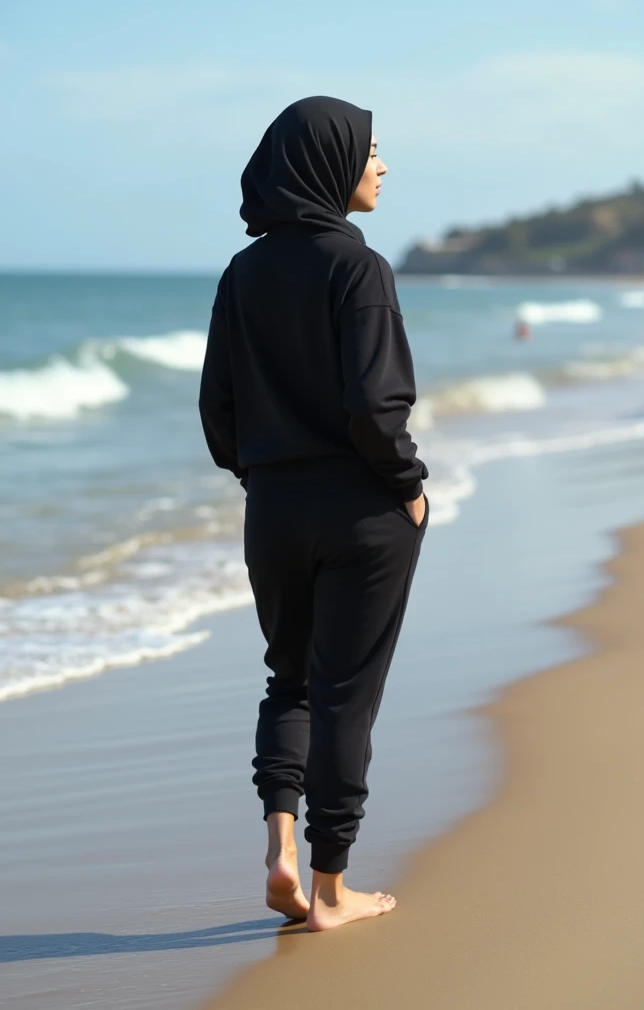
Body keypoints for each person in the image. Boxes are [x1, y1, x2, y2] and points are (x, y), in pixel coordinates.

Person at [199, 96, 428, 931]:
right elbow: (377, 409)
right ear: (329, 162)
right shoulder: (358, 269)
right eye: (372, 149)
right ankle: (331, 891)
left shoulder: (242, 273)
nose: (381, 164)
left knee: (288, 678)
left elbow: (216, 410)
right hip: (363, 511)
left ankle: (280, 850)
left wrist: (266, 478)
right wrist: (410, 485)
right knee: (345, 697)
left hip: (274, 509)